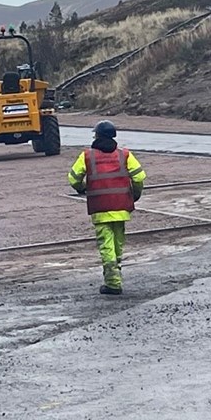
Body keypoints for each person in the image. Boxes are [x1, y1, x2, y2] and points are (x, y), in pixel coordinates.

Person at [68, 120, 145, 296]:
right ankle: (115, 275)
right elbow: (139, 177)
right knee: (118, 244)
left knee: (106, 246)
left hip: (100, 209)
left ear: (97, 136)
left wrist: (82, 188)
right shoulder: (124, 155)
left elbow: (73, 179)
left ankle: (113, 283)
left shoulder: (87, 156)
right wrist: (135, 195)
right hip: (122, 208)